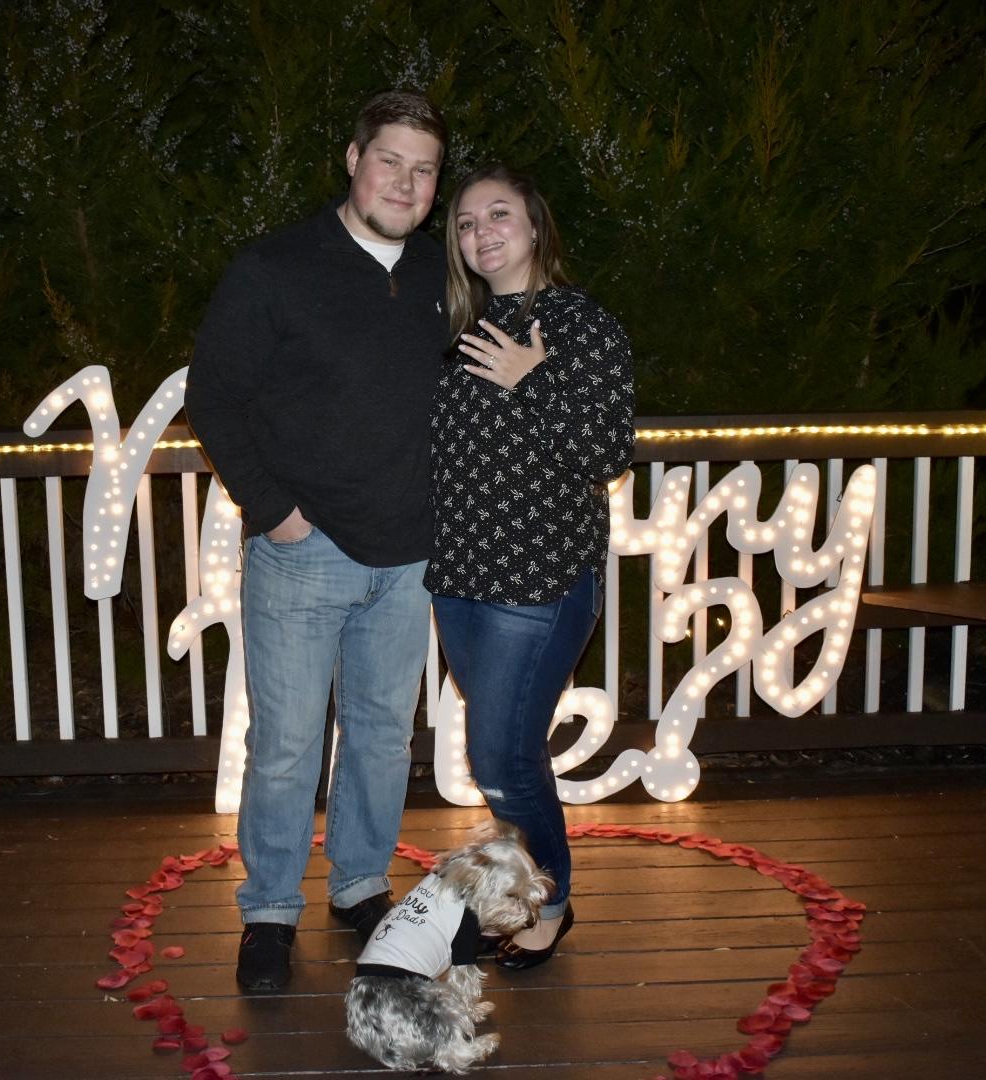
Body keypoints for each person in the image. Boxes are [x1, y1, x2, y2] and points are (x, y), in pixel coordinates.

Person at [185, 90, 448, 991]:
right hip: (305, 551)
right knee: (288, 745)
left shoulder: (442, 274)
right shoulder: (273, 267)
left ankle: (360, 886)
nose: (404, 184)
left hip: (409, 554)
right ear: (352, 159)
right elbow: (214, 397)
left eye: (423, 170)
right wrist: (278, 515)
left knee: (381, 737)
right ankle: (268, 910)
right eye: (389, 162)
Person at [426, 164, 636, 969]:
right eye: (466, 223)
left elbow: (605, 451)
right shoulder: (459, 328)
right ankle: (520, 894)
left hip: (539, 579)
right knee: (505, 755)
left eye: (498, 215)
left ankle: (548, 902)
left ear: (536, 226)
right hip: (460, 578)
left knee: (501, 759)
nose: (481, 233)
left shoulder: (581, 324)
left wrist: (533, 378)